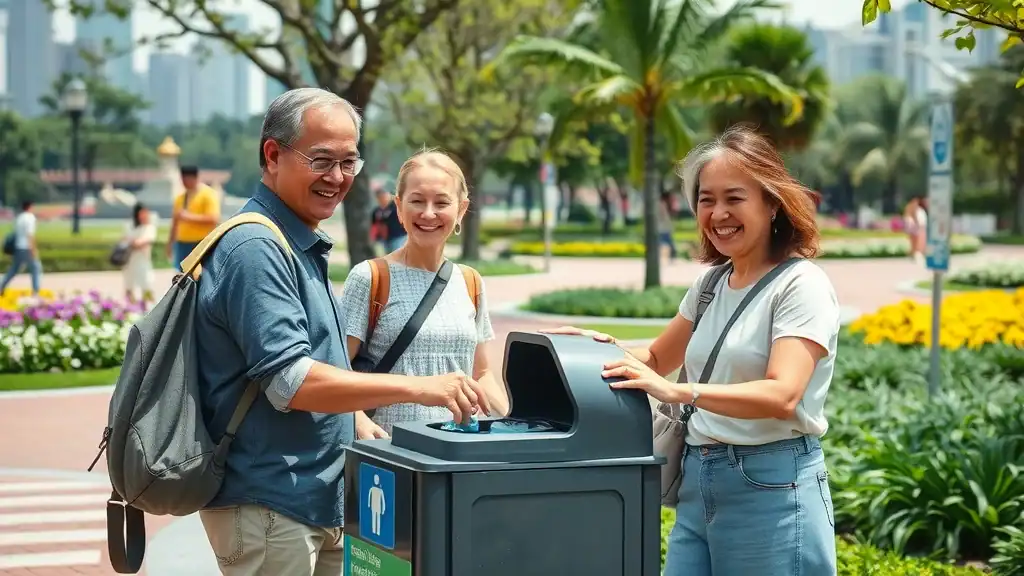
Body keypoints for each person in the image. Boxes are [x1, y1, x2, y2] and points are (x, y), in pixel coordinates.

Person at [192, 88, 490, 576]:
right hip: (272, 501)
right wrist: (421, 388)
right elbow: (293, 381)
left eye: (349, 162)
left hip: (319, 496)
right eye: (322, 160)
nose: (337, 178)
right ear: (272, 155)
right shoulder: (256, 247)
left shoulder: (297, 243)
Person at [545, 125, 840, 575]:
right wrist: (584, 349)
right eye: (707, 199)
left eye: (734, 198)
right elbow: (658, 359)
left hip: (772, 485)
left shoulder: (801, 285)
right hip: (699, 479)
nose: (719, 213)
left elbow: (783, 395)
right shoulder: (711, 284)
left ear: (772, 202)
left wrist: (678, 393)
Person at [340, 150, 510, 435]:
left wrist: (513, 425)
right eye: (417, 201)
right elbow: (334, 372)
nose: (428, 213)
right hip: (388, 456)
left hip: (454, 451)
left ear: (461, 209)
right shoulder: (370, 277)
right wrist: (358, 421)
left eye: (441, 202)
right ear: (398, 207)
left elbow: (481, 374)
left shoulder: (470, 282)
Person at [167, 165, 221, 271]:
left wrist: (188, 217)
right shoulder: (180, 198)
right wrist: (170, 243)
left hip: (201, 243)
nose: (185, 183)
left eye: (187, 180)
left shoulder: (208, 195)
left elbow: (213, 219)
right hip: (182, 243)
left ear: (194, 178)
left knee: (201, 276)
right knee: (182, 277)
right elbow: (175, 222)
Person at [0, 201, 41, 296]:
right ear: (30, 207)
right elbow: (30, 235)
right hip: (27, 247)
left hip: (18, 247)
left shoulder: (19, 217)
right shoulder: (30, 218)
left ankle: (1, 286)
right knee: (35, 268)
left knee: (14, 269)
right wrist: (33, 249)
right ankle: (35, 291)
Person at [121, 203, 158, 304]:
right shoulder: (129, 226)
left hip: (143, 261)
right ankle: (130, 307)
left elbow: (141, 242)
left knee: (146, 284)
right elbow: (126, 240)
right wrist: (134, 242)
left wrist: (132, 242)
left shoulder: (149, 228)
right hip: (129, 261)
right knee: (129, 285)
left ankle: (148, 308)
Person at [370, 187, 407, 253]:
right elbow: (374, 225)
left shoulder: (396, 207)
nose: (383, 198)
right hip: (384, 238)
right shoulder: (377, 211)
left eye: (384, 196)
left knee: (397, 254)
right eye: (380, 197)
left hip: (399, 236)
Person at [903, 196, 928, 265]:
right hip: (915, 225)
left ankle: (913, 253)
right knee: (916, 240)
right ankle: (915, 253)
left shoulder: (909, 208)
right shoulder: (913, 208)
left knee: (913, 241)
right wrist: (917, 223)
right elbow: (914, 217)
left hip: (912, 225)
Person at [657, 192, 678, 262]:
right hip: (663, 226)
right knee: (666, 241)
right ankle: (673, 253)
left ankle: (673, 253)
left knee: (664, 241)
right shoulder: (662, 204)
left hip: (663, 227)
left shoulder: (662, 204)